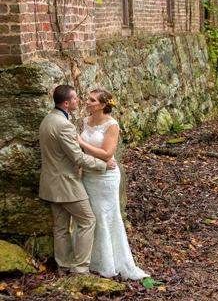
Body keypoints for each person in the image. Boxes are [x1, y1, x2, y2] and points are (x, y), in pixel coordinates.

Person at [38, 84, 116, 277]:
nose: (79, 101)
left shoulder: (48, 119)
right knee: (88, 221)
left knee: (61, 227)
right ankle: (80, 269)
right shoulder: (63, 125)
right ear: (66, 103)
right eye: (75, 99)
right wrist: (103, 165)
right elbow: (77, 158)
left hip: (50, 183)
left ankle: (64, 267)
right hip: (66, 184)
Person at [78, 88, 149, 280]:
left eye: (92, 100)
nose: (87, 102)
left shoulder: (112, 125)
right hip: (89, 175)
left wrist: (82, 144)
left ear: (102, 105)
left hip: (106, 178)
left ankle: (109, 262)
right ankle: (90, 259)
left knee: (106, 216)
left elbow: (108, 154)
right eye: (87, 99)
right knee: (91, 216)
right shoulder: (85, 121)